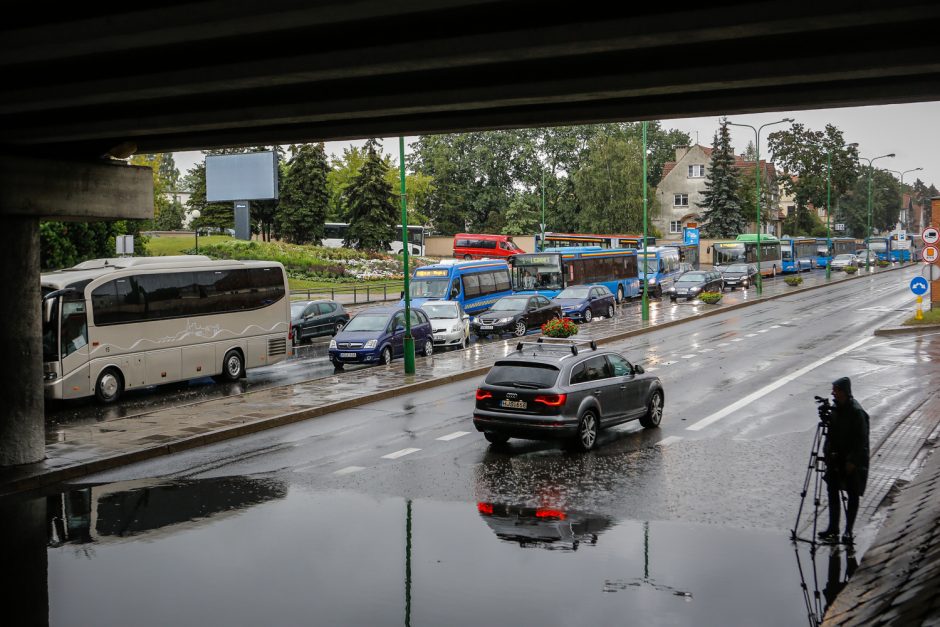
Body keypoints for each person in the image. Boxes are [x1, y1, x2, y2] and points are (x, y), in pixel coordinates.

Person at [818, 377, 870, 545]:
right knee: (832, 491)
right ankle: (833, 528)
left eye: (836, 390)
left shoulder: (856, 412)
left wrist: (852, 461)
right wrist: (827, 454)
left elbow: (861, 440)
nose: (833, 392)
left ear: (844, 392)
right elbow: (830, 435)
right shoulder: (835, 409)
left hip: (851, 460)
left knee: (852, 494)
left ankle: (848, 530)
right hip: (835, 457)